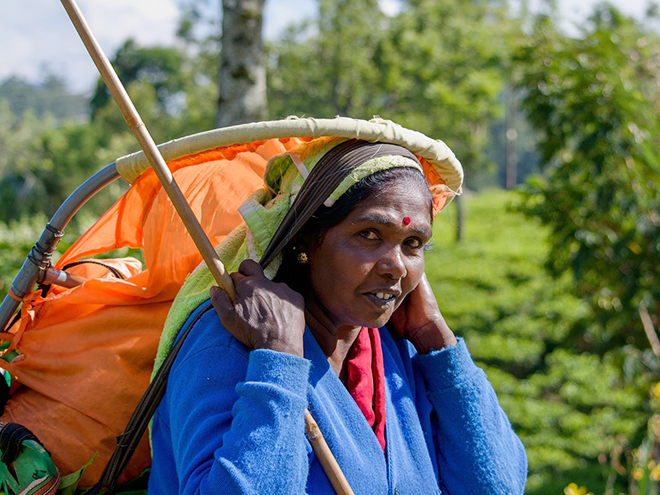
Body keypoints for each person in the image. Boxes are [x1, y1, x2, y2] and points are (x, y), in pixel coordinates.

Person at [148, 136, 527, 494]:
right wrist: (279, 359)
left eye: (413, 244)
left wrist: (438, 343)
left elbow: (498, 486)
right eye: (369, 235)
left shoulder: (400, 348)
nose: (396, 267)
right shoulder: (230, 342)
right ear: (304, 238)